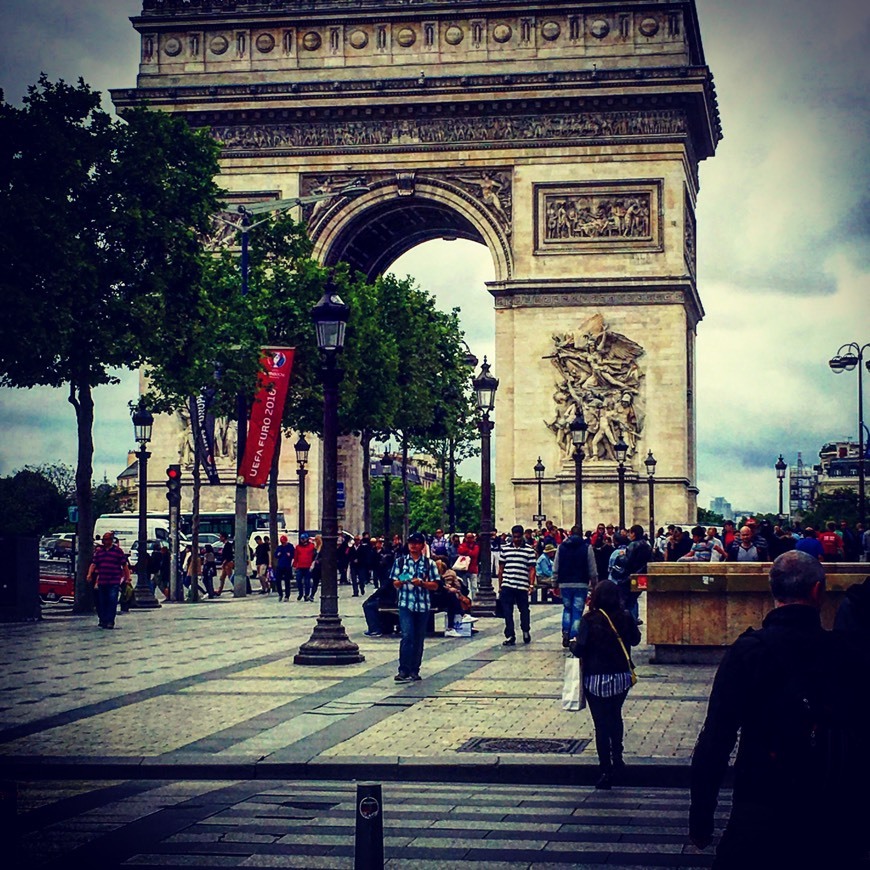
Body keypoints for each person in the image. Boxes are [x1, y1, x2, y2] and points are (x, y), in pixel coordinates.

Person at [689, 551, 868, 868]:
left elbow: (715, 741)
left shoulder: (748, 652)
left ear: (773, 590)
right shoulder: (845, 652)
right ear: (817, 591)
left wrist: (702, 815)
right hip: (831, 816)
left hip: (762, 806)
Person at [571, 579, 641, 789]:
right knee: (615, 716)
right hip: (621, 677)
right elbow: (636, 640)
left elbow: (580, 649)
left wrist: (573, 644)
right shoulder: (626, 616)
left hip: (596, 679)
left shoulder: (589, 619)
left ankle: (605, 770)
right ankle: (618, 759)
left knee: (601, 724)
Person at [391, 531, 440, 682]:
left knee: (418, 638)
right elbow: (395, 583)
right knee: (407, 636)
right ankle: (403, 669)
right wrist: (403, 581)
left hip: (422, 605)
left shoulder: (429, 563)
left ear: (422, 545)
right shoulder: (400, 562)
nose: (413, 546)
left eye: (417, 543)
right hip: (406, 603)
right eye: (411, 543)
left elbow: (436, 585)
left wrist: (422, 583)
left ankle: (414, 669)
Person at [552, 525, 597, 647]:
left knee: (567, 609)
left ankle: (566, 632)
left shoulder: (561, 547)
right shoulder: (587, 548)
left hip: (564, 583)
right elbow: (592, 569)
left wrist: (554, 582)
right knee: (577, 611)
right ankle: (573, 636)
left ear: (571, 533)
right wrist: (594, 585)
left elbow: (556, 566)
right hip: (581, 583)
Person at [497, 524, 537, 645]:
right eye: (515, 537)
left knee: (524, 610)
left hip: (522, 585)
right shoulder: (505, 549)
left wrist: (531, 585)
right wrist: (500, 585)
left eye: (519, 537)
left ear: (523, 535)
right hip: (507, 584)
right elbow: (501, 568)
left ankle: (525, 630)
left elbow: (532, 569)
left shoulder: (529, 550)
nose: (517, 539)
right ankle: (510, 635)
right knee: (507, 611)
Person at [87, 531, 131, 629]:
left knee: (112, 601)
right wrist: (89, 574)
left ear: (111, 540)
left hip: (114, 580)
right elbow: (94, 564)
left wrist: (127, 578)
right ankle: (103, 619)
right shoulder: (99, 552)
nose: (105, 541)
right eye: (104, 539)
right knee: (103, 601)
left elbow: (124, 565)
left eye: (107, 539)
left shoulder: (118, 551)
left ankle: (110, 620)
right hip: (102, 580)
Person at [293, 532, 317, 601]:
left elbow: (314, 555)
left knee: (307, 582)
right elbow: (296, 557)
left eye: (303, 539)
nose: (302, 540)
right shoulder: (298, 547)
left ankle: (306, 595)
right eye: (301, 539)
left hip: (308, 567)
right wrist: (294, 565)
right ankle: (300, 593)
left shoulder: (311, 546)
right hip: (300, 566)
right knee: (298, 580)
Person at [457, 532, 480, 599]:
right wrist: (469, 552)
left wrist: (466, 552)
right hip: (463, 569)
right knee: (464, 587)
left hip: (473, 569)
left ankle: (474, 600)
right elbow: (460, 551)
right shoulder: (462, 545)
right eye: (468, 537)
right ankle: (465, 600)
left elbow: (474, 554)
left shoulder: (476, 546)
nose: (470, 539)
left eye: (471, 537)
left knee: (474, 586)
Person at [273, 534, 294, 601]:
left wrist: (290, 555)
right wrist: (277, 554)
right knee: (278, 580)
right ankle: (280, 594)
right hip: (280, 566)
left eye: (284, 542)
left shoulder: (290, 546)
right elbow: (275, 555)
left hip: (287, 566)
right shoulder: (279, 547)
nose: (283, 544)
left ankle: (287, 596)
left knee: (287, 581)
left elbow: (293, 555)